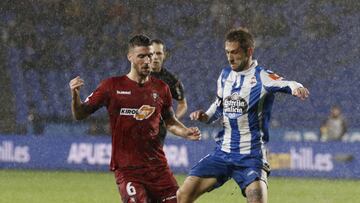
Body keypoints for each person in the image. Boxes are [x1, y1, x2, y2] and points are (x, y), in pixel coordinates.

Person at [176, 28, 309, 203]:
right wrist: (205, 116)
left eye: (235, 52)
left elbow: (286, 83)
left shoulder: (262, 77)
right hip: (223, 153)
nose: (230, 58)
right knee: (183, 195)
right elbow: (219, 104)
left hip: (251, 156)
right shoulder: (225, 76)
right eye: (227, 52)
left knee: (257, 200)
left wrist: (297, 88)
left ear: (249, 52)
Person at [69, 34, 201, 203]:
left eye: (149, 56)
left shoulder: (161, 88)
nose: (147, 61)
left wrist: (185, 132)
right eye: (141, 56)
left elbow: (170, 121)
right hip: (128, 169)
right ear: (130, 57)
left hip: (158, 168)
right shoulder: (111, 86)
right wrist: (75, 95)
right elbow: (80, 114)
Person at [150, 39, 188, 144]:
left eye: (158, 53)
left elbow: (183, 104)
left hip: (158, 131)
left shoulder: (171, 80)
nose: (155, 57)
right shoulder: (137, 75)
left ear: (164, 55)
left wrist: (172, 118)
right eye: (152, 53)